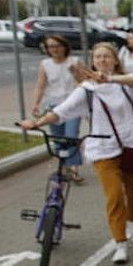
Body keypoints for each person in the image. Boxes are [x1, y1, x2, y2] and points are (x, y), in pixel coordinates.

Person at [19, 42, 133, 265]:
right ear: (93, 61)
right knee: (115, 196)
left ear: (115, 60)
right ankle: (120, 243)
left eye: (106, 57)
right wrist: (37, 122)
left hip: (131, 145)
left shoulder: (126, 84)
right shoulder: (86, 91)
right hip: (102, 148)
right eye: (98, 57)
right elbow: (62, 111)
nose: (102, 60)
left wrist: (109, 79)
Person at [30, 35, 84, 184]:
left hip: (72, 105)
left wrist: (75, 72)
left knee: (71, 135)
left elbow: (84, 82)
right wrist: (36, 104)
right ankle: (64, 166)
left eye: (57, 46)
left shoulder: (74, 62)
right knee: (58, 138)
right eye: (51, 47)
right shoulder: (45, 64)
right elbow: (40, 85)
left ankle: (74, 168)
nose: (54, 49)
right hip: (53, 105)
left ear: (64, 46)